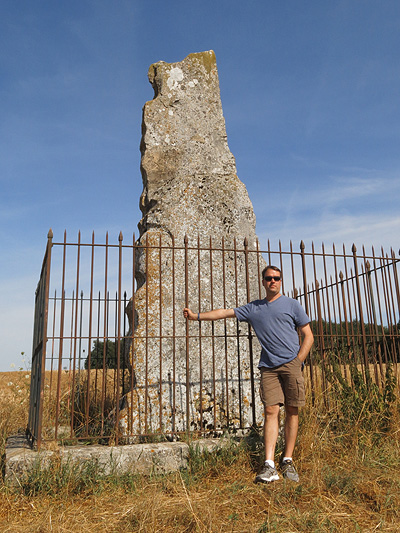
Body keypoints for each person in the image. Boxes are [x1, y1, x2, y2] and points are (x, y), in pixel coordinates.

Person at [183, 265, 314, 483]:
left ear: (281, 281)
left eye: (276, 278)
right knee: (271, 410)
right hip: (269, 367)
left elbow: (308, 335)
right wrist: (196, 316)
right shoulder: (254, 308)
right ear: (263, 282)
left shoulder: (292, 305)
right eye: (268, 278)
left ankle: (288, 459)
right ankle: (269, 465)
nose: (272, 281)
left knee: (292, 409)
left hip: (291, 364)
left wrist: (298, 360)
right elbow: (225, 313)